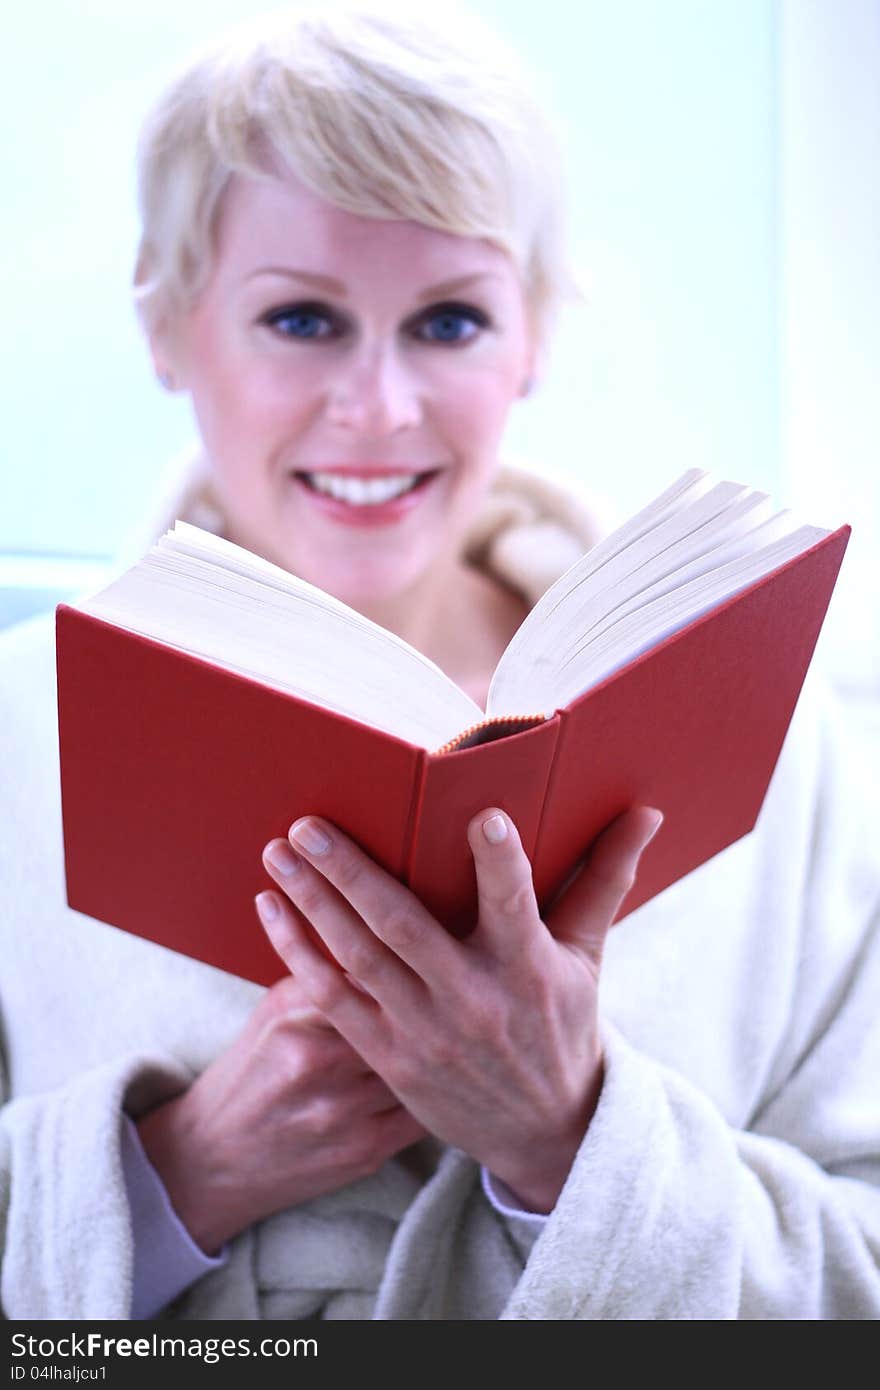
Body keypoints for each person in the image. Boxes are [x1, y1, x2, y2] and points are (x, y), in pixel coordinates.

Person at [1, 3, 878, 1321]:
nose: (381, 408)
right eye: (301, 319)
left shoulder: (781, 742)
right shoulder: (20, 737)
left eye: (449, 323)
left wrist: (573, 1138)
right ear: (170, 329)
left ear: (532, 336)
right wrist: (184, 1169)